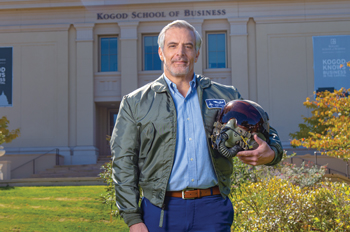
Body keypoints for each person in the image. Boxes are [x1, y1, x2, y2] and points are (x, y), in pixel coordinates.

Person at [110, 19, 283, 232]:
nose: (180, 53)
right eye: (172, 46)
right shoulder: (135, 103)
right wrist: (133, 219)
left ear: (197, 53)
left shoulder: (226, 95)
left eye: (188, 46)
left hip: (212, 209)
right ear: (161, 53)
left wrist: (271, 153)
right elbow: (123, 162)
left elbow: (266, 130)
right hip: (160, 209)